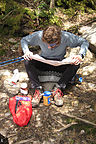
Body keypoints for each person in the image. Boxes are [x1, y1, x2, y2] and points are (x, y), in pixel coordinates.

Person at [21, 25, 89, 107]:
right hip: (43, 61)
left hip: (60, 62)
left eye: (53, 45)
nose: (49, 47)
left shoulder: (66, 36)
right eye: (47, 44)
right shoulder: (39, 35)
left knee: (76, 63)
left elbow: (84, 42)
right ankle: (37, 89)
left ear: (59, 39)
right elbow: (24, 40)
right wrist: (26, 51)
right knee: (27, 60)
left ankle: (58, 88)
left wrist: (80, 55)